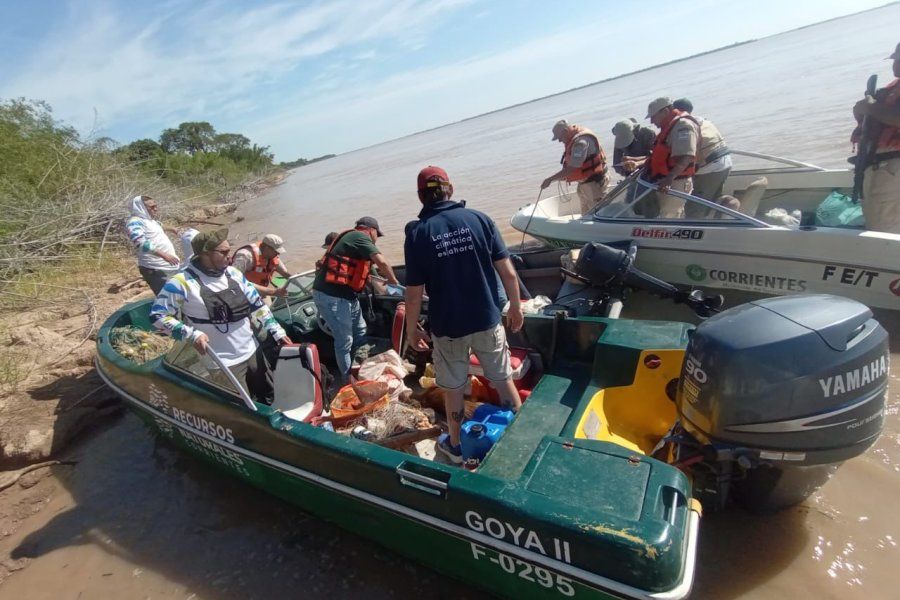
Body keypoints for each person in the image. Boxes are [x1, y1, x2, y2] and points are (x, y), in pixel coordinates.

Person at [404, 166, 524, 464]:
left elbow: (414, 292)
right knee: (503, 379)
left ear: (420, 196)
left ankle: (456, 447)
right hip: (487, 319)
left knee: (454, 390)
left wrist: (411, 329)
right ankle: (521, 441)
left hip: (449, 328)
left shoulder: (418, 233)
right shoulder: (479, 219)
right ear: (451, 189)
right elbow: (508, 273)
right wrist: (516, 306)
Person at [150, 228, 290, 399]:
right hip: (222, 362)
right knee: (241, 407)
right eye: (223, 253)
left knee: (270, 395)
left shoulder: (233, 273)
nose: (229, 257)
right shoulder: (181, 283)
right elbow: (158, 317)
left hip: (252, 350)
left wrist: (276, 331)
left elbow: (257, 304)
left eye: (229, 251)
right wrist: (192, 335)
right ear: (205, 254)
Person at [313, 217, 399, 382]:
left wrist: (389, 289)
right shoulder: (359, 236)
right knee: (345, 340)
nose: (376, 240)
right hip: (330, 296)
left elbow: (371, 274)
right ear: (371, 230)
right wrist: (393, 281)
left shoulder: (358, 246)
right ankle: (348, 380)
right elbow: (382, 262)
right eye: (377, 235)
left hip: (348, 296)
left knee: (360, 331)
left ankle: (362, 368)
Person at [623, 97, 700, 219]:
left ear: (665, 111)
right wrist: (637, 162)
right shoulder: (669, 127)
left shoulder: (683, 126)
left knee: (668, 219)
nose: (652, 121)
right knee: (660, 217)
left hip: (676, 182)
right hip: (662, 182)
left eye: (653, 117)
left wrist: (669, 178)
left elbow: (687, 156)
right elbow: (660, 156)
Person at [853, 42, 900, 233]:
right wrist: (862, 109)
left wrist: (870, 108)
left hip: (892, 169)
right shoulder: (891, 89)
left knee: (884, 233)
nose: (894, 64)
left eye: (897, 59)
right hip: (884, 168)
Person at [673, 98, 733, 218]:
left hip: (710, 167)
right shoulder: (703, 121)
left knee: (693, 207)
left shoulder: (684, 125)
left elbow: (686, 155)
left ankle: (696, 225)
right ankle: (726, 210)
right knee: (714, 197)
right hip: (725, 162)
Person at [541, 119, 610, 216]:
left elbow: (573, 167)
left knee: (598, 214)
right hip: (584, 184)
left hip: (595, 183)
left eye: (559, 137)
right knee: (585, 215)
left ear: (565, 131)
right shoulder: (572, 139)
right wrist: (559, 178)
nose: (559, 141)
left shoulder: (580, 143)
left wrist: (550, 179)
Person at [125, 195, 180, 294]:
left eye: (156, 206)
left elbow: (160, 226)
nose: (156, 209)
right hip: (155, 268)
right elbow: (141, 243)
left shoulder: (150, 220)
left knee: (178, 295)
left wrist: (173, 229)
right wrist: (165, 255)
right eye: (152, 207)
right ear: (141, 208)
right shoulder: (134, 222)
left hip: (168, 265)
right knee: (167, 296)